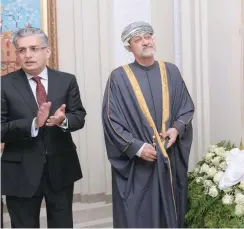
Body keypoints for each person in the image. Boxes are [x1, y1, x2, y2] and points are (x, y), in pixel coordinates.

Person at [102, 21, 195, 228]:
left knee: (170, 209)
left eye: (148, 36)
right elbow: (111, 120)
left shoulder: (171, 71)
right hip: (139, 162)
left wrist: (176, 128)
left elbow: (186, 107)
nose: (145, 42)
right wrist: (137, 147)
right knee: (140, 214)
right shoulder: (118, 77)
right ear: (129, 47)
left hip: (168, 157)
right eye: (138, 39)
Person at [1, 27, 86, 228]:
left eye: (34, 48)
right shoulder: (4, 84)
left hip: (61, 167)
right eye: (21, 50)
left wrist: (62, 121)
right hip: (20, 171)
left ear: (47, 51)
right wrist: (33, 124)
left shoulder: (67, 80)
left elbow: (79, 116)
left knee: (62, 224)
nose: (28, 55)